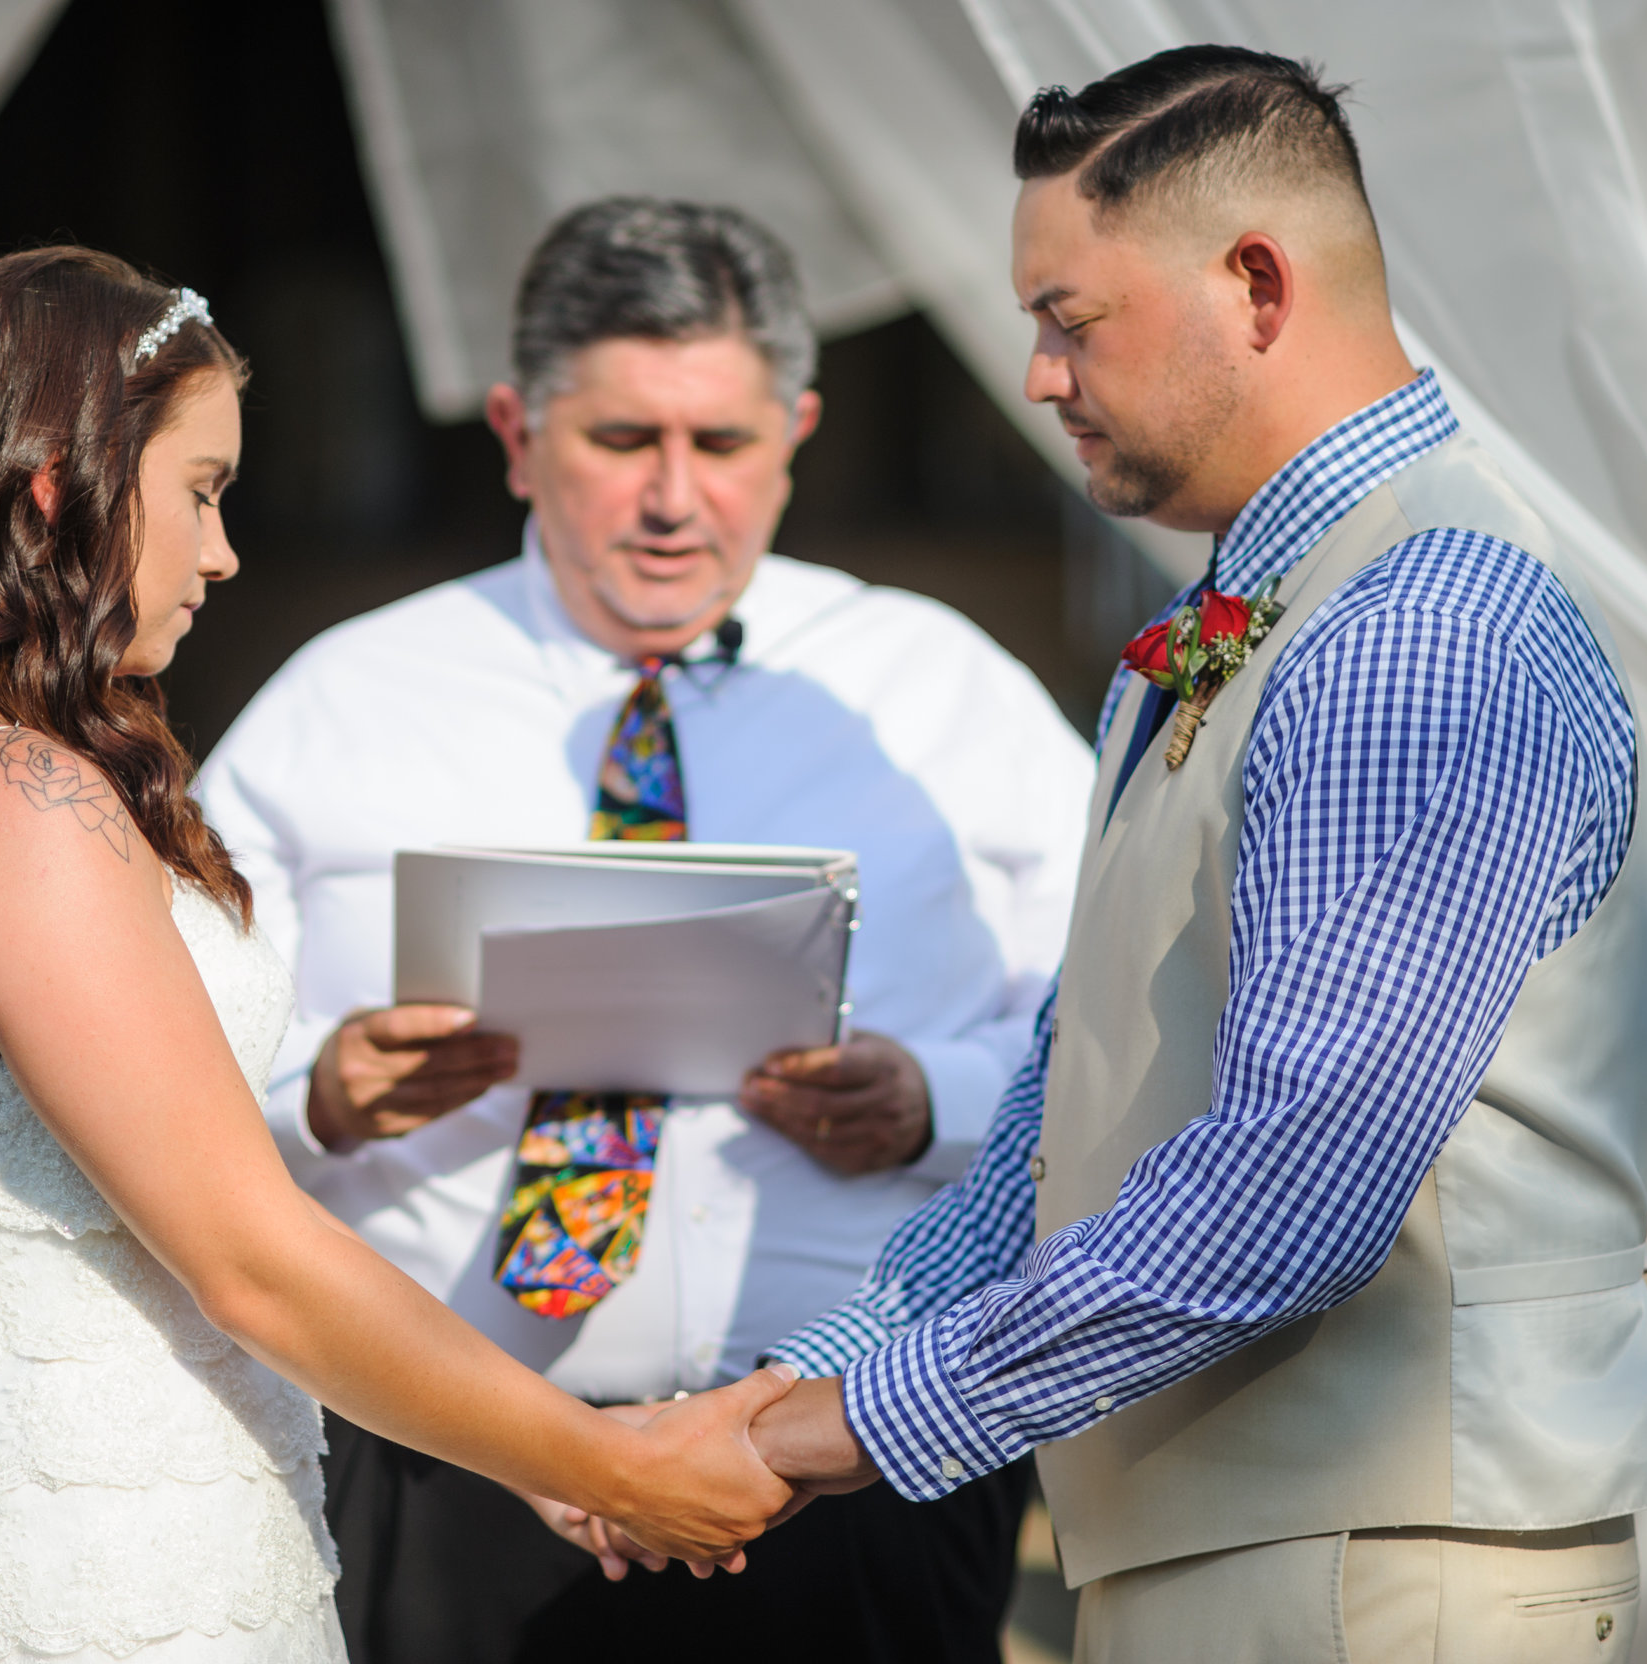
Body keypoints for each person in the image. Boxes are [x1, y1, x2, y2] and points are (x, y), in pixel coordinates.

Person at [0, 249, 802, 1664]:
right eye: (202, 491)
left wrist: (520, 1452)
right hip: (101, 1583)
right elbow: (249, 1260)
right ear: (62, 488)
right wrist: (604, 1460)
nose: (225, 550)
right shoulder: (9, 804)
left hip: (87, 1531)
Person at [731, 48, 1647, 1663]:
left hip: (1390, 1566)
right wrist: (791, 1389)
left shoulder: (1418, 636)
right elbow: (1062, 1134)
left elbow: (1295, 1185)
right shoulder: (1250, 623)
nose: (1038, 375)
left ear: (1255, 284)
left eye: (1071, 318)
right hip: (1261, 1552)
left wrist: (839, 1432)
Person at [196, 198, 1092, 1662]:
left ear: (796, 429)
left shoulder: (948, 701)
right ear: (513, 432)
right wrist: (323, 1098)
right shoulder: (339, 706)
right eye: (624, 443)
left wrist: (938, 1102)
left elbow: (1112, 1021)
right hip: (454, 1465)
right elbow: (162, 1067)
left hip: (846, 1468)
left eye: (723, 445)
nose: (676, 498)